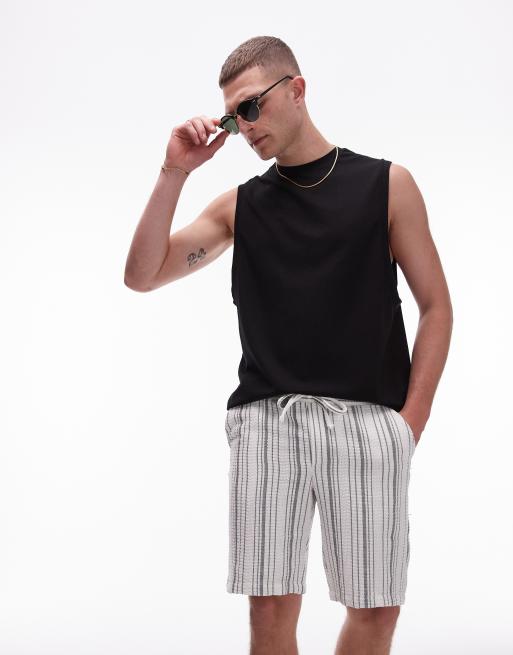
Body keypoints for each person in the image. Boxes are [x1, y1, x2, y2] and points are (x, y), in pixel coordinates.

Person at [124, 35, 453, 655]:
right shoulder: (241, 207)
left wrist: (409, 424)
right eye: (232, 117)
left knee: (375, 608)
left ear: (296, 90)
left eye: (251, 106)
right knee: (270, 609)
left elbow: (436, 306)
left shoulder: (387, 185)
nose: (244, 126)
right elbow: (142, 275)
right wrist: (176, 170)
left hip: (368, 421)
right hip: (268, 422)